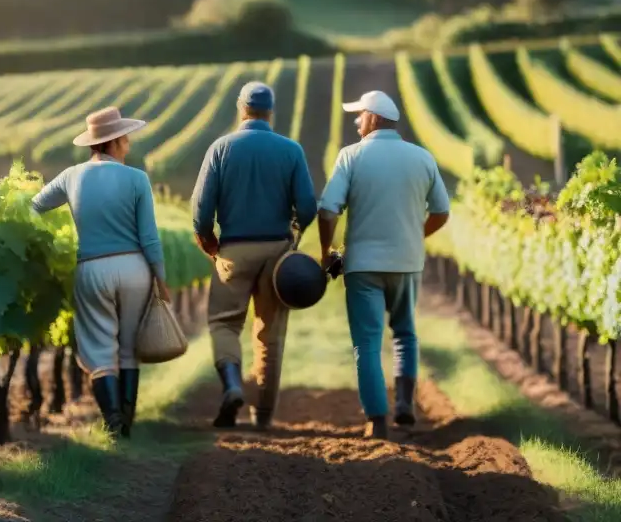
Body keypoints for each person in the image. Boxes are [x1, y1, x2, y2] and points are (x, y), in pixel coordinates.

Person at [317, 90, 450, 440]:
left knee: (368, 342)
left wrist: (326, 250)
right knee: (405, 333)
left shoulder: (351, 157)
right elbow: (441, 212)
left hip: (362, 266)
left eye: (359, 115)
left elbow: (328, 209)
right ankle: (405, 405)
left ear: (373, 117)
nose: (356, 122)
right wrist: (415, 236)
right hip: (407, 262)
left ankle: (377, 421)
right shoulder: (422, 157)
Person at [31, 106, 170, 439]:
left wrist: (48, 243)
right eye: (126, 138)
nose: (129, 143)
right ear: (117, 141)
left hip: (92, 268)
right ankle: (128, 426)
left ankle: (112, 423)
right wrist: (160, 278)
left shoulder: (71, 176)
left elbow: (33, 207)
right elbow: (149, 237)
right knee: (129, 349)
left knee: (98, 350)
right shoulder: (138, 178)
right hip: (134, 267)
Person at [191, 81, 317, 430]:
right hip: (276, 253)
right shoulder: (291, 150)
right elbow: (308, 207)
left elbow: (201, 211)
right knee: (270, 334)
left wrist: (211, 245)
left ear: (240, 107)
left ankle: (232, 385)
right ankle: (262, 416)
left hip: (233, 249)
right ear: (270, 111)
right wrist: (293, 235)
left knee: (224, 323)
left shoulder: (221, 148)